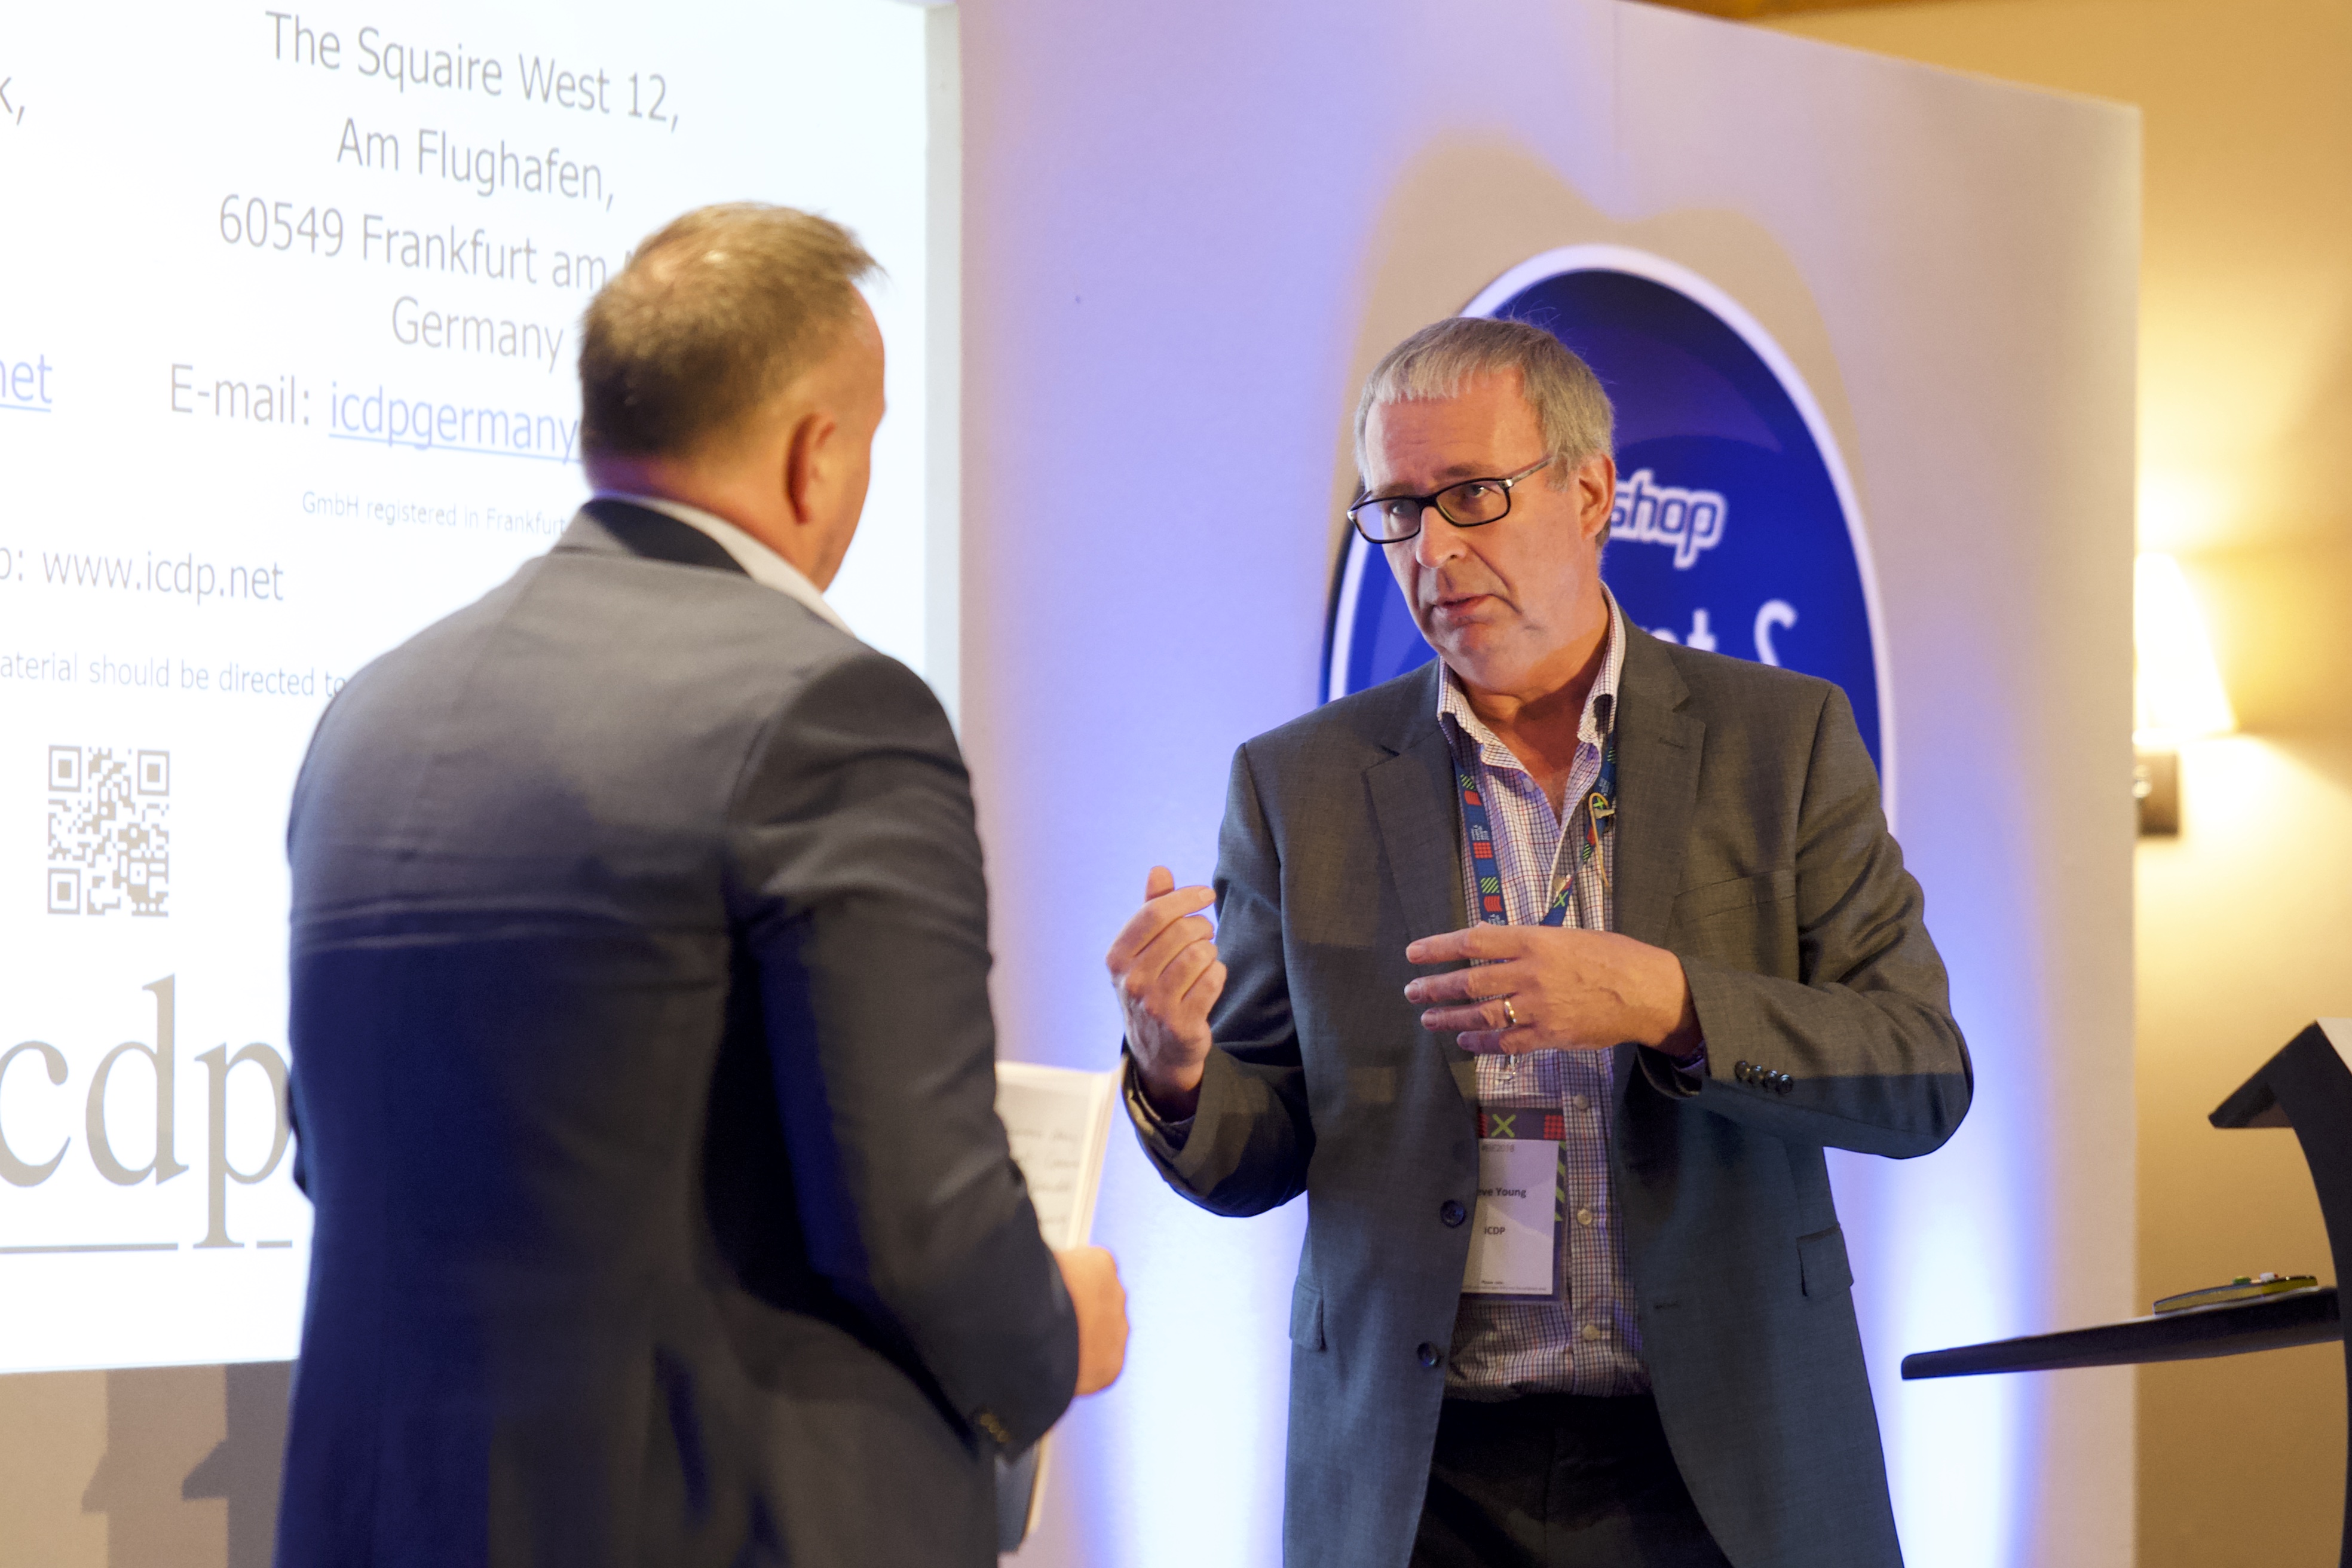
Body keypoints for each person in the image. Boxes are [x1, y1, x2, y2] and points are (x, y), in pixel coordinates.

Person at [278, 203, 1126, 1567]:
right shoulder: (832, 711)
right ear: (815, 453)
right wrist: (1051, 1334)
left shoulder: (373, 714)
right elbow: (915, 1212)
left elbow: (332, 1151)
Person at [1108, 316, 1969, 1568]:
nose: (1433, 550)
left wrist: (1670, 1002)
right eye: (1399, 510)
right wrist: (1180, 1072)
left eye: (1473, 495)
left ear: (1592, 494)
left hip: (1723, 1467)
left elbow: (1920, 1072)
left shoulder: (1780, 744)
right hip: (1422, 1481)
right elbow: (1265, 1141)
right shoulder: (1300, 784)